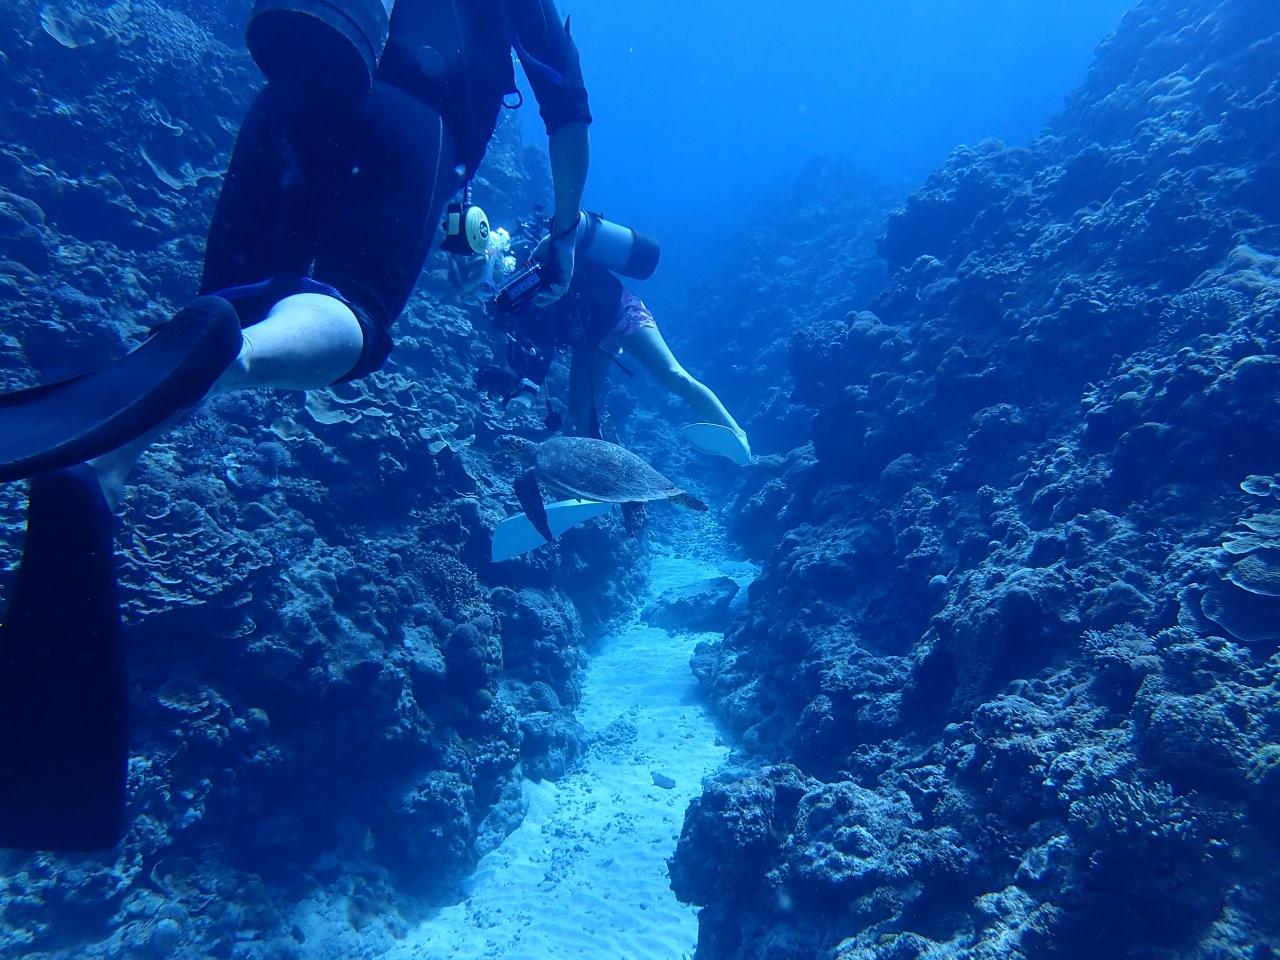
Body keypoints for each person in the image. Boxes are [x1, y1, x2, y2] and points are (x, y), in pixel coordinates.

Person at [0, 0, 592, 851]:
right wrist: (564, 235)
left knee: (229, 306)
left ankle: (102, 464)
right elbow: (566, 106)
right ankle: (230, 357)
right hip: (408, 118)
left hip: (294, 85)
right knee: (351, 309)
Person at [463, 230, 751, 465]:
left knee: (672, 376)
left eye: (478, 289)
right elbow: (532, 347)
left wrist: (527, 393)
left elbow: (546, 338)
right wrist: (513, 382)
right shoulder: (510, 300)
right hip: (589, 340)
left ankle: (737, 434)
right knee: (580, 416)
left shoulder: (530, 277)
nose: (480, 299)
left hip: (619, 312)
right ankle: (595, 481)